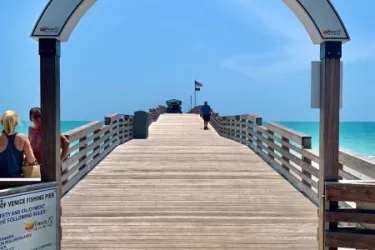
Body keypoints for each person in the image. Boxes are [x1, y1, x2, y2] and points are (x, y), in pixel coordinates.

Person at [0, 110, 36, 177]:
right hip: (17, 180)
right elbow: (31, 160)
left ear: (2, 122)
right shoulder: (23, 138)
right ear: (16, 123)